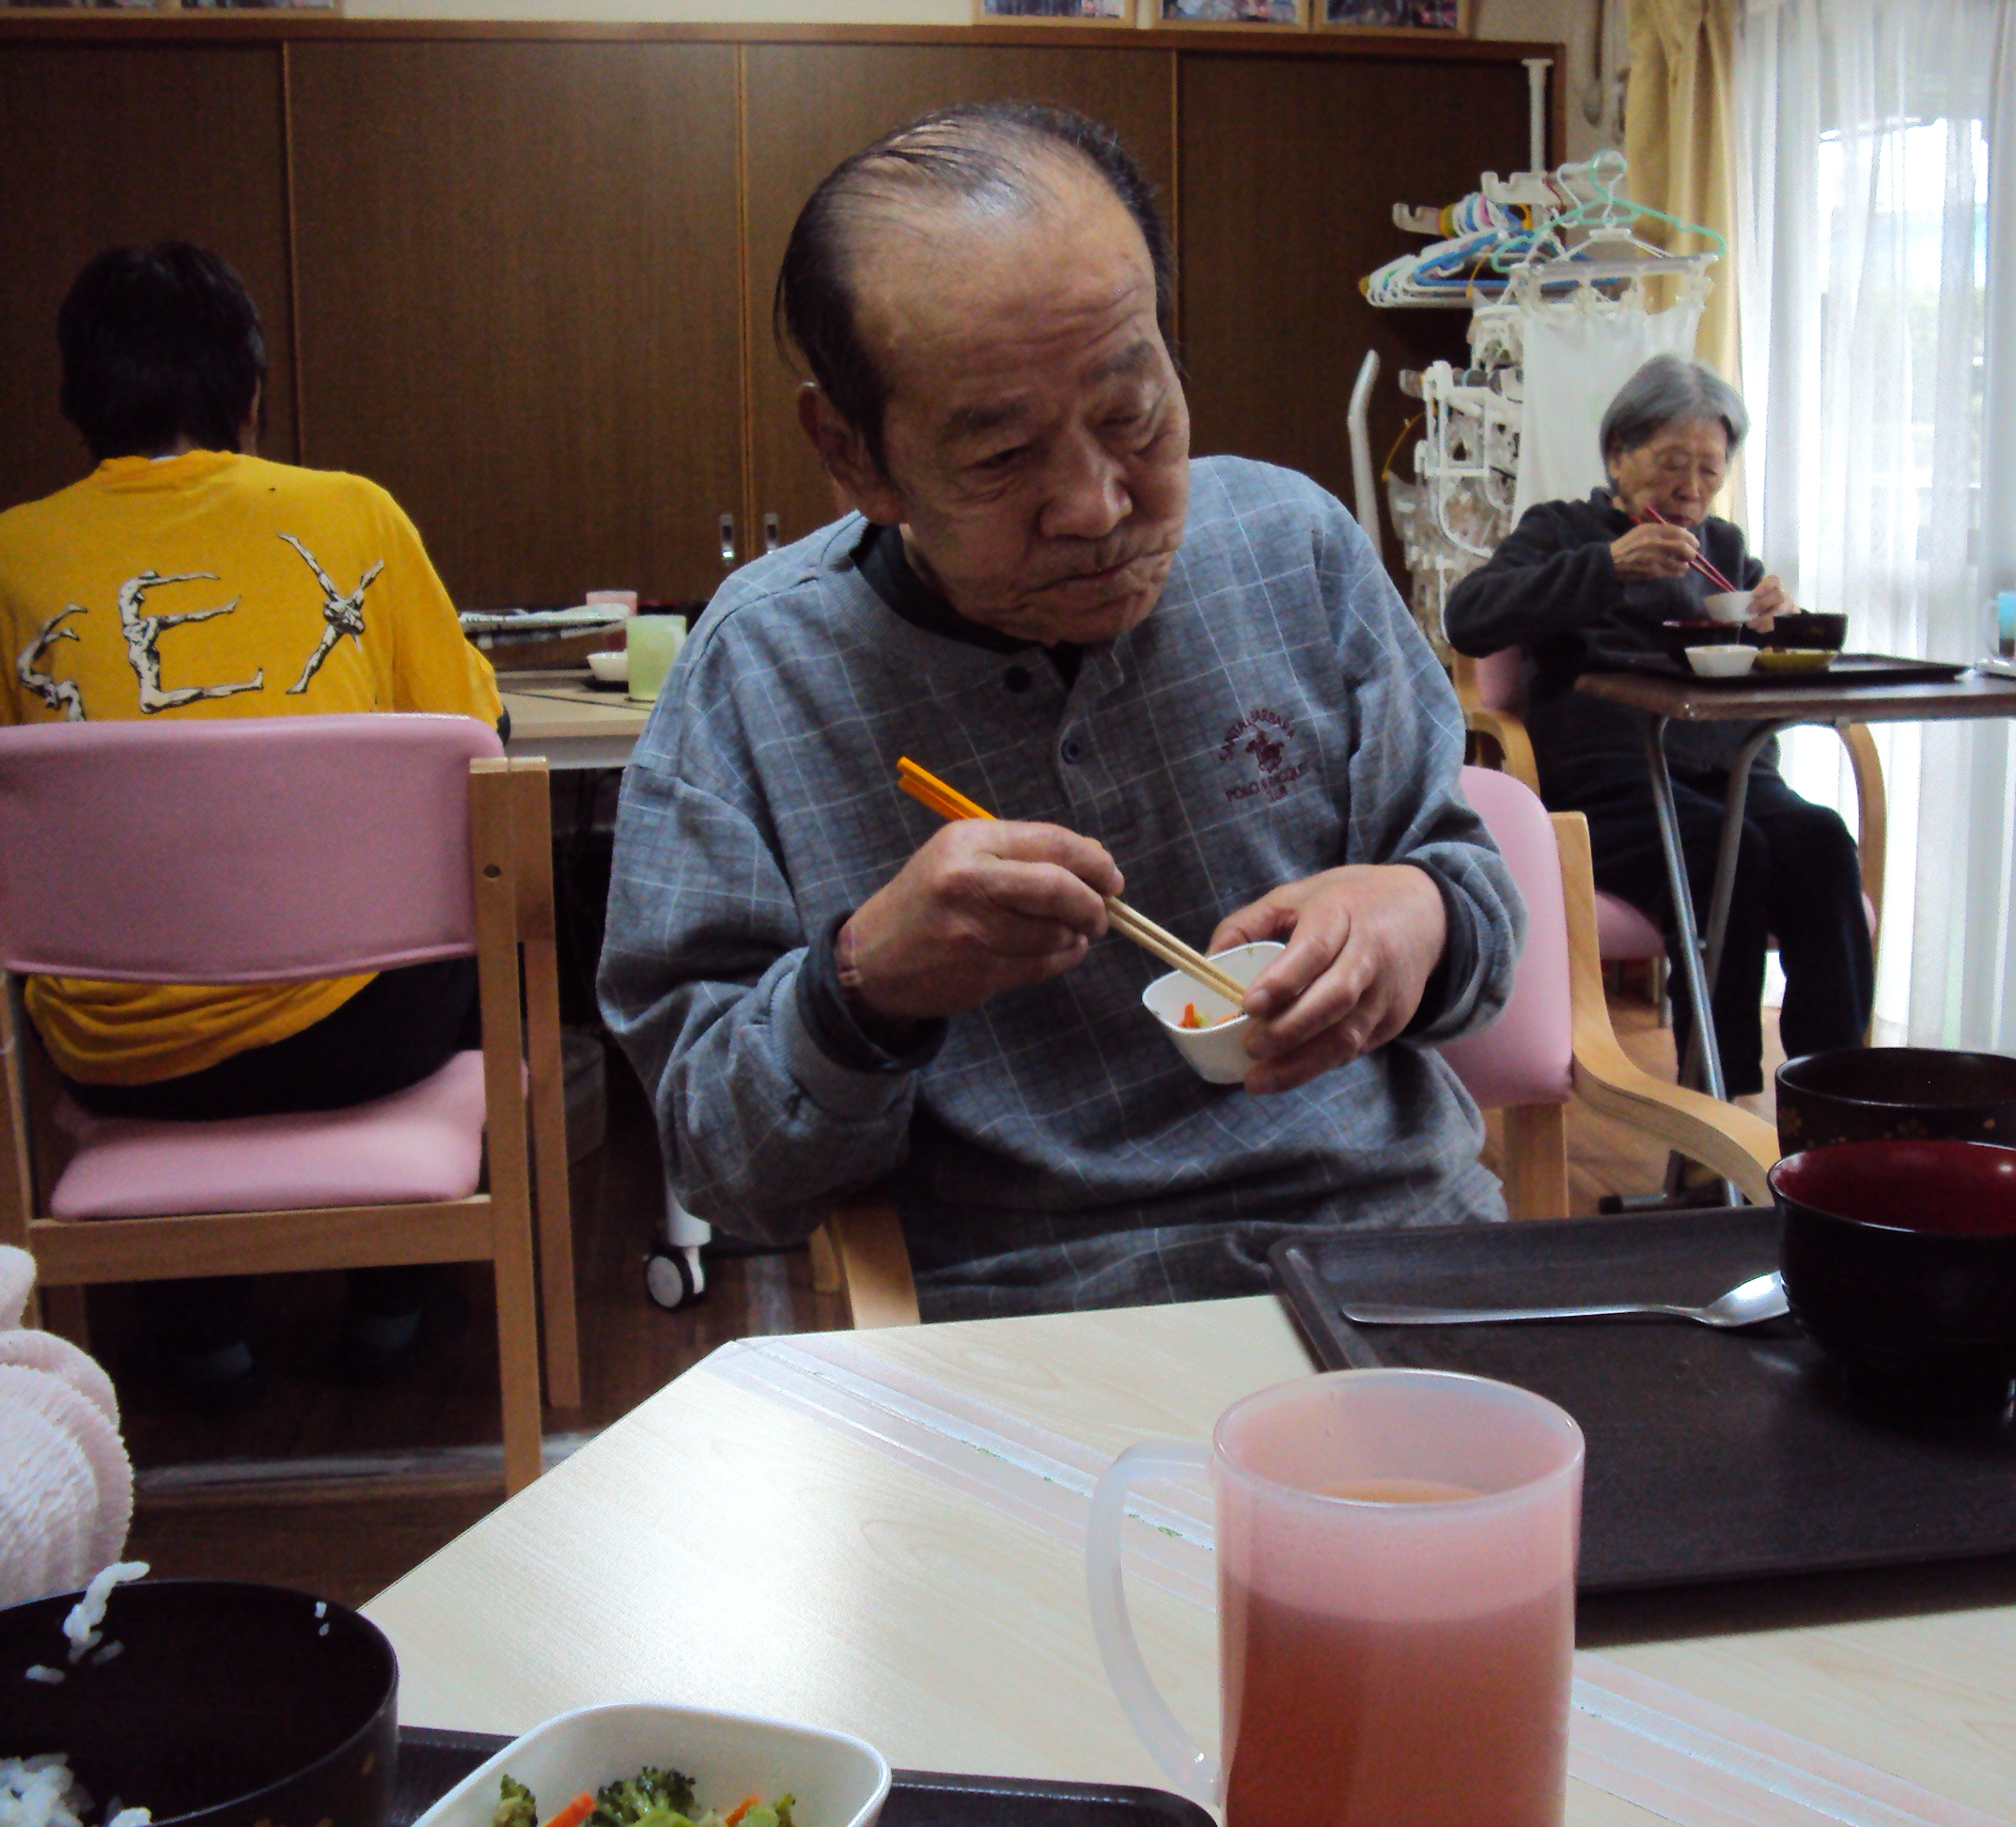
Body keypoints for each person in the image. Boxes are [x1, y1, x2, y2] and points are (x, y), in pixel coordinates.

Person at [598, 102, 1522, 1320]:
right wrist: (862, 989)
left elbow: (1471, 903)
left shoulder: (1294, 550)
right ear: (852, 452)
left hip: (1394, 1259)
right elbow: (725, 1168)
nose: (1095, 505)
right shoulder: (758, 672)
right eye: (1000, 458)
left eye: (1133, 417)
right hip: (1033, 1315)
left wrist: (1421, 918)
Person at [0, 242, 507, 1398]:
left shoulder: (10, 556)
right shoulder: (354, 516)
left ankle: (201, 1337)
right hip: (360, 1043)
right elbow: (472, 737)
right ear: (251, 394)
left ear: (77, 400)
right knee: (480, 908)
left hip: (119, 1059)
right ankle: (392, 1302)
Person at [1443, 355, 1872, 1105]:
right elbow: (1469, 616)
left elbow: (1764, 667)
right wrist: (1606, 565)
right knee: (1727, 852)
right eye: (1673, 464)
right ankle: (1718, 1099)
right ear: (1618, 453)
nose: (1692, 488)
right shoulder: (1563, 531)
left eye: (1710, 469)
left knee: (1823, 842)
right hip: (1608, 782)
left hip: (1730, 771)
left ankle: (1835, 1101)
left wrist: (1781, 625)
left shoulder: (1724, 550)